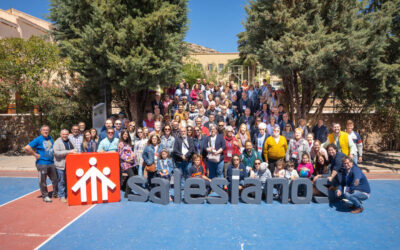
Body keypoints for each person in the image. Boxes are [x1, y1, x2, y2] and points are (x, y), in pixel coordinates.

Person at [24, 125, 58, 203]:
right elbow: (27, 147)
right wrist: (35, 155)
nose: (46, 131)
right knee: (43, 181)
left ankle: (55, 193)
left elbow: (51, 149)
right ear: (41, 131)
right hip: (42, 163)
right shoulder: (38, 139)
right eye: (44, 130)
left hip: (51, 162)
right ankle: (45, 196)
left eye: (47, 130)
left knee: (55, 179)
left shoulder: (50, 138)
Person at [53, 129, 75, 203]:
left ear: (68, 134)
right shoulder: (57, 142)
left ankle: (67, 194)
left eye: (66, 134)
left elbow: (75, 149)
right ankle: (62, 196)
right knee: (61, 181)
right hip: (61, 165)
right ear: (60, 134)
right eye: (63, 134)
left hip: (70, 165)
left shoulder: (70, 141)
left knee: (68, 180)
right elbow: (56, 153)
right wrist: (69, 152)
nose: (65, 135)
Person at [118, 130, 135, 197]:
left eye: (126, 134)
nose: (125, 135)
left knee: (130, 175)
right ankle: (127, 193)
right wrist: (128, 160)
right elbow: (120, 154)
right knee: (132, 176)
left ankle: (123, 187)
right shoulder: (120, 143)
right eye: (124, 134)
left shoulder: (128, 143)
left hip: (130, 162)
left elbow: (131, 152)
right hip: (124, 163)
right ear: (122, 135)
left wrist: (133, 156)